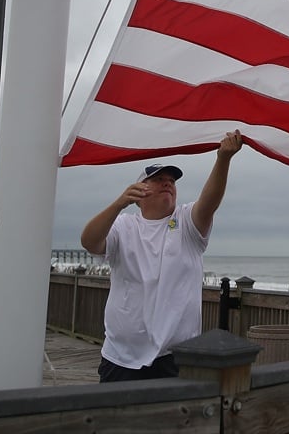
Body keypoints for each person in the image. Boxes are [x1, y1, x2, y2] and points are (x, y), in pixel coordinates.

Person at [80, 130, 244, 382]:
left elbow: (209, 202)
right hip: (121, 356)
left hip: (176, 357)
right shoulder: (123, 225)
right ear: (138, 191)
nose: (168, 183)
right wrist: (118, 204)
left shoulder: (186, 222)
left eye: (171, 181)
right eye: (158, 179)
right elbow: (89, 241)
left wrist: (223, 159)